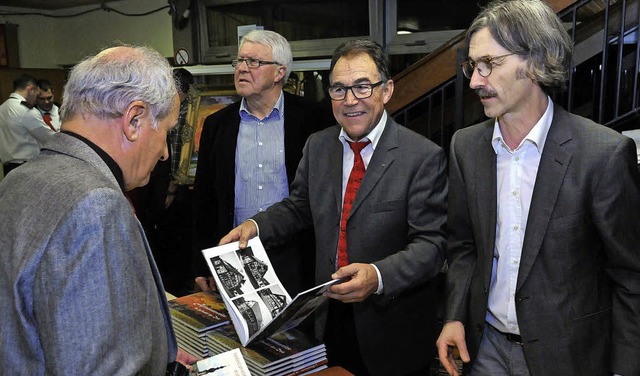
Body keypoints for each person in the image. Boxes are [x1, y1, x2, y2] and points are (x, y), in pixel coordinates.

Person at [213, 38, 448, 376]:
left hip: (390, 328)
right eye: (339, 89)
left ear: (387, 90)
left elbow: (432, 246)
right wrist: (256, 226)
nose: (350, 100)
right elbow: (298, 208)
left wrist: (377, 275)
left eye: (362, 87)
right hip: (326, 316)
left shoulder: (422, 157)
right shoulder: (319, 145)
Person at [436, 1, 640, 375]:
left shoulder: (603, 154)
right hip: (485, 350)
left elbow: (630, 275)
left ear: (536, 61)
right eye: (472, 66)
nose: (475, 81)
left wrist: (625, 367)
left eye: (489, 64)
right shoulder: (465, 147)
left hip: (571, 357)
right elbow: (464, 247)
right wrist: (455, 317)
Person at [0, 45, 196, 374]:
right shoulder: (96, 205)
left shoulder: (20, 178)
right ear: (134, 120)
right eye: (166, 131)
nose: (164, 152)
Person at [193, 29, 329, 296]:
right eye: (240, 61)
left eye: (253, 62)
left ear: (280, 72)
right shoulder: (216, 125)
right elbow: (204, 199)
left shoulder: (315, 120)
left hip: (297, 255)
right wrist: (201, 263)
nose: (242, 69)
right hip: (234, 255)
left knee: (297, 335)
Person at [130, 67, 196, 296]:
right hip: (156, 182)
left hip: (174, 186)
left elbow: (176, 154)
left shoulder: (189, 112)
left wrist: (171, 189)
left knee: (173, 239)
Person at [0, 74, 55, 175]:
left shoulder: (2, 108)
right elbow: (49, 138)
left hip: (8, 168)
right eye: (37, 95)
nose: (36, 99)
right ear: (30, 89)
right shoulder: (25, 110)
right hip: (27, 167)